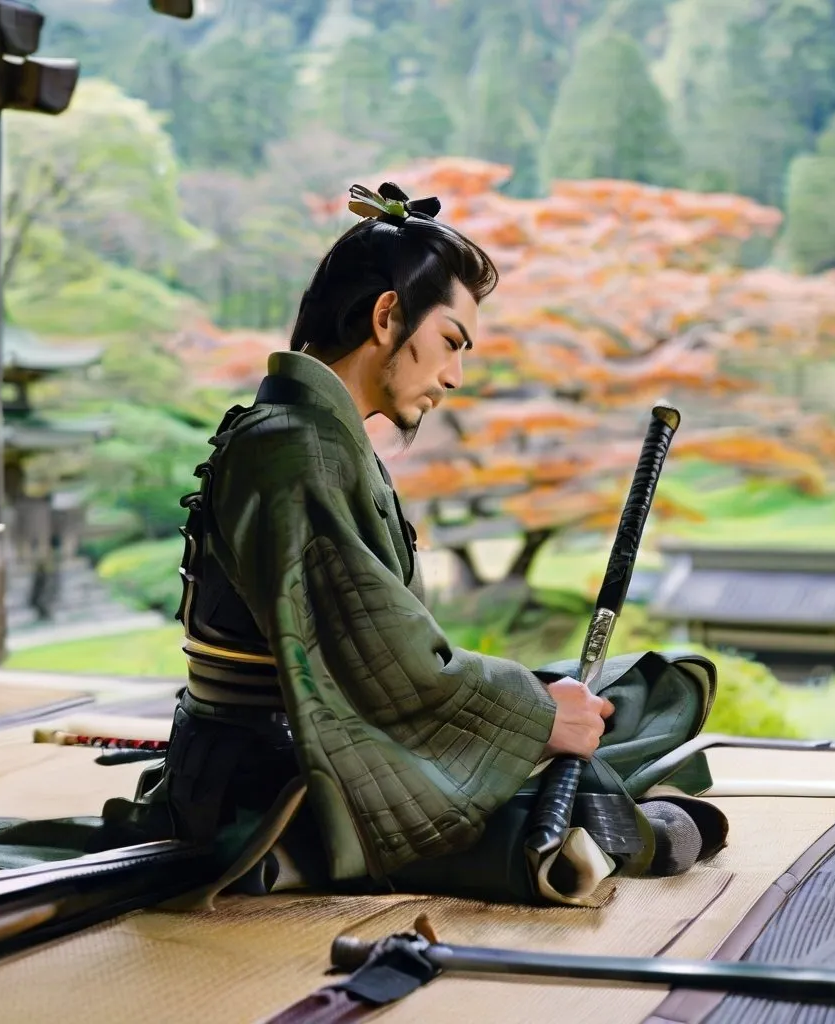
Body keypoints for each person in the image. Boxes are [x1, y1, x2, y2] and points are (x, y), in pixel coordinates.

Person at [115, 182, 726, 905]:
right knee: (579, 771)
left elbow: (384, 659)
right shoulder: (296, 453)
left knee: (654, 683)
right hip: (290, 775)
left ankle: (589, 803)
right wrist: (536, 716)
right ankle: (604, 827)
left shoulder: (312, 440)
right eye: (450, 343)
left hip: (338, 730)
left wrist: (541, 707)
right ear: (386, 317)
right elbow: (394, 672)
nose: (454, 376)